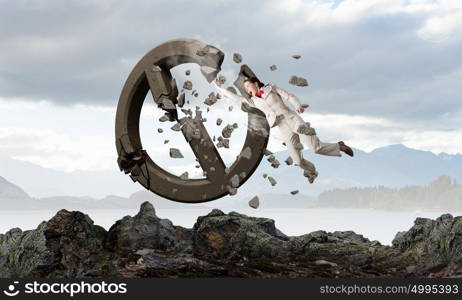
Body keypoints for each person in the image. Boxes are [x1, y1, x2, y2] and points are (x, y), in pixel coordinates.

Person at [212, 76, 353, 183]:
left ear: (256, 84)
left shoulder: (271, 88)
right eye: (246, 88)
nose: (248, 90)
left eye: (249, 85)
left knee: (315, 148)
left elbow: (288, 96)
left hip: (293, 119)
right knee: (297, 161)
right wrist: (219, 87)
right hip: (282, 128)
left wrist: (297, 105)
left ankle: (339, 146)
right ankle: (311, 171)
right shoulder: (252, 101)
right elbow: (235, 97)